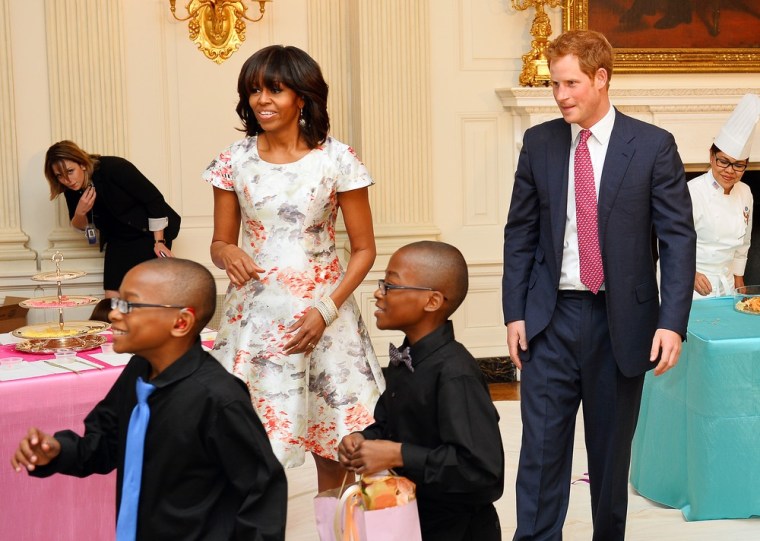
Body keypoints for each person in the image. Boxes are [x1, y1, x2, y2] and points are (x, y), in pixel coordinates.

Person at [502, 30, 696, 540]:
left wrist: (672, 323)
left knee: (609, 465)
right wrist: (514, 312)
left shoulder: (653, 147)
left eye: (570, 83)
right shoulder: (539, 142)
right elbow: (519, 232)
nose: (561, 95)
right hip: (549, 321)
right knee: (540, 456)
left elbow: (678, 240)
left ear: (601, 78)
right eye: (554, 85)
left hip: (622, 324)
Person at [203, 45, 385, 492]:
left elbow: (364, 249)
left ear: (301, 97)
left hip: (324, 317)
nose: (261, 100)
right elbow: (219, 242)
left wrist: (326, 309)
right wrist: (228, 254)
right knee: (247, 444)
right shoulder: (233, 160)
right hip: (256, 321)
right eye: (253, 90)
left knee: (336, 445)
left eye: (274, 89)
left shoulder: (337, 159)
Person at [10, 258, 288, 540]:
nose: (115, 315)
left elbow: (262, 493)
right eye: (118, 303)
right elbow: (103, 444)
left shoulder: (218, 398)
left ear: (181, 322)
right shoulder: (138, 371)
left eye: (129, 305)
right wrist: (59, 451)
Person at [338, 241, 504, 541]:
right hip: (410, 522)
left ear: (432, 301)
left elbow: (482, 473)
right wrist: (364, 440)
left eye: (390, 285)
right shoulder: (406, 360)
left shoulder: (456, 373)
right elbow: (390, 426)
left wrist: (398, 455)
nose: (378, 293)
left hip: (458, 531)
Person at [44, 140, 181, 298]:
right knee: (112, 299)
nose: (67, 180)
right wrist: (80, 213)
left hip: (147, 234)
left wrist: (159, 242)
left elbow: (154, 200)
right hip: (118, 239)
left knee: (142, 295)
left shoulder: (114, 167)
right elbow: (80, 226)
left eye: (70, 171)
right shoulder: (71, 189)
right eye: (59, 175)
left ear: (81, 163)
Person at [690, 93, 760, 299]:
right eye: (723, 161)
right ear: (711, 157)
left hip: (727, 282)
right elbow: (669, 242)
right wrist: (688, 273)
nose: (730, 170)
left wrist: (738, 275)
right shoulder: (691, 192)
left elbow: (744, 239)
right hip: (692, 282)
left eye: (739, 165)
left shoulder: (745, 192)